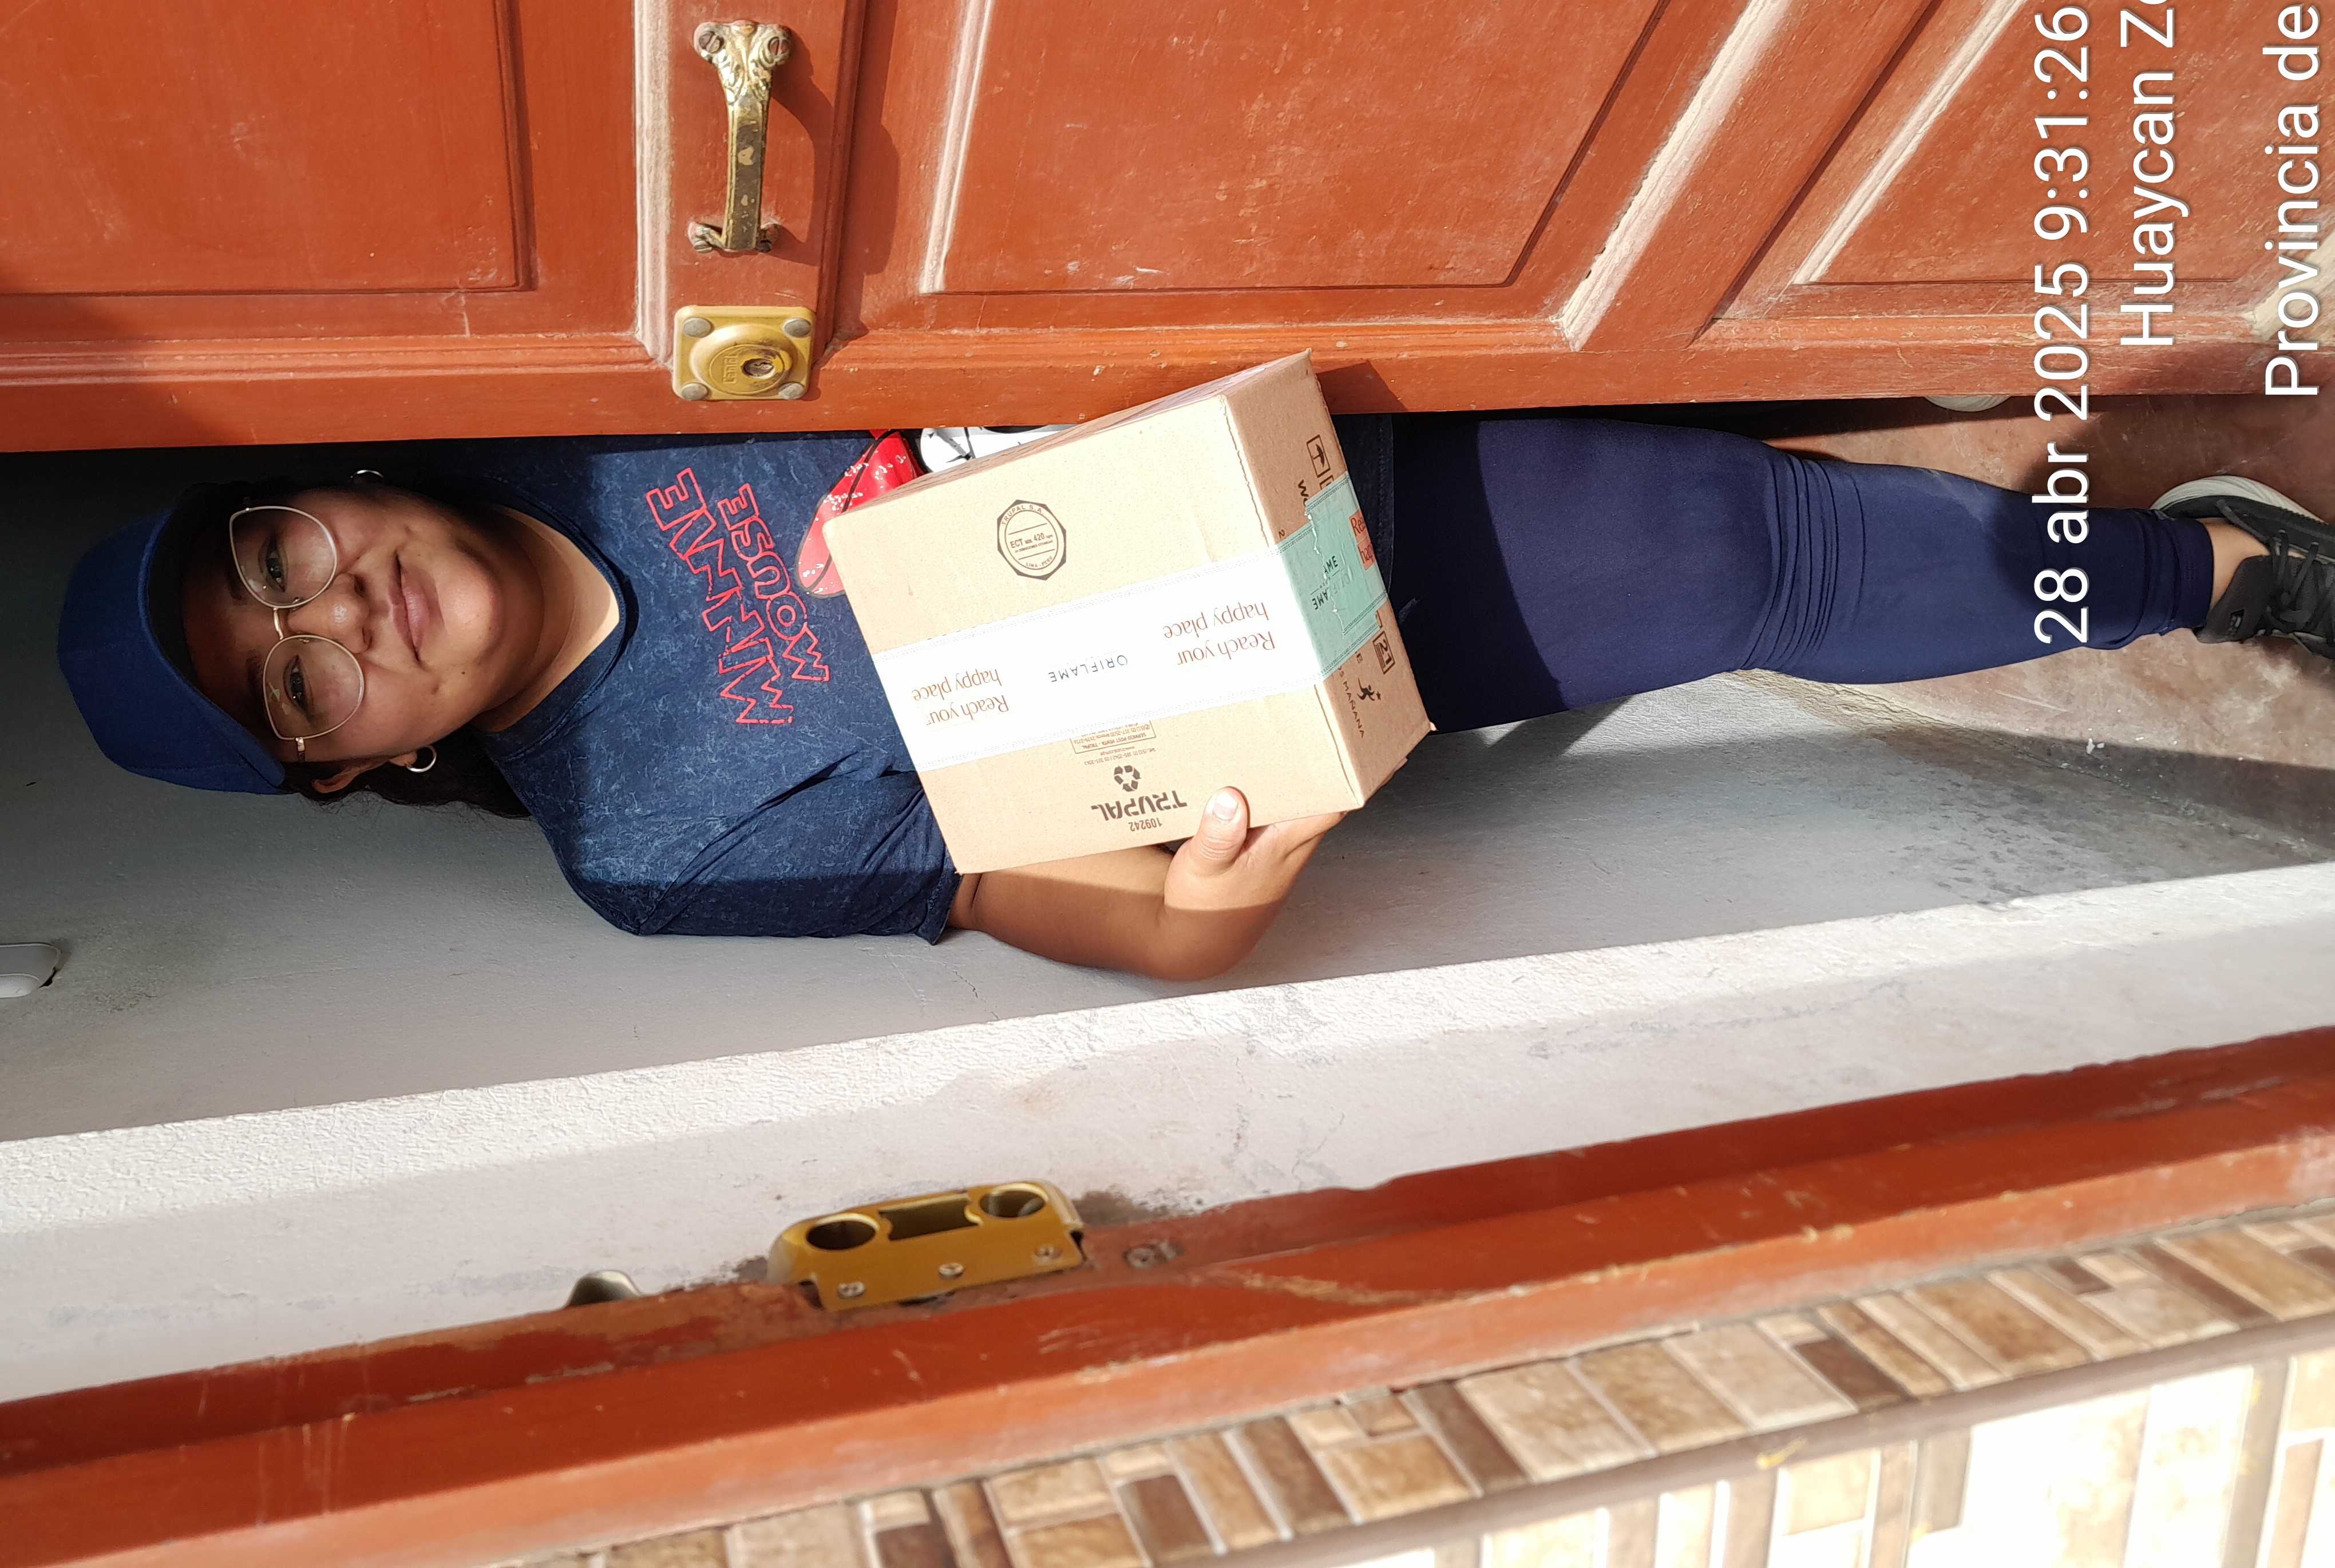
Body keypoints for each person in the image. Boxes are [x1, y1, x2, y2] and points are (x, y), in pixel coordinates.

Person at [56, 413, 2335, 981]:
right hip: (1360, 574)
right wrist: (1250, 834)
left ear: (314, 486)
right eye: (298, 689)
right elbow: (1135, 923)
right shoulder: (646, 845)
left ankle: (2062, 497)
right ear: (367, 762)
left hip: (1305, 321)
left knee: (1784, 454)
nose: (339, 616)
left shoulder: (586, 393)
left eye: (271, 560)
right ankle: (2206, 565)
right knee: (1756, 557)